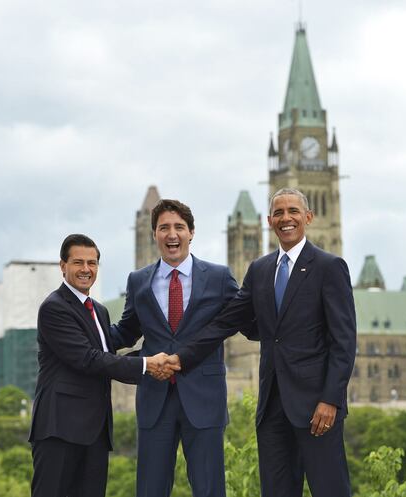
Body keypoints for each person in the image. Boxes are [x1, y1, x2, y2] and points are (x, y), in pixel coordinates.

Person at [170, 188, 357, 497]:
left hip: (317, 407)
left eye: (293, 212)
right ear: (270, 221)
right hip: (271, 406)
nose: (286, 218)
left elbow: (344, 340)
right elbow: (228, 321)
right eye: (279, 213)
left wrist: (331, 399)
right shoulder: (260, 270)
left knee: (330, 489)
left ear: (308, 218)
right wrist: (181, 358)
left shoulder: (329, 267)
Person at [29, 233, 178, 497]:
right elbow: (89, 359)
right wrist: (147, 365)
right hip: (60, 430)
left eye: (92, 263)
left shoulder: (98, 310)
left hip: (95, 432)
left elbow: (110, 345)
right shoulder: (54, 308)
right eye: (78, 262)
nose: (86, 269)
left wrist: (153, 320)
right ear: (62, 266)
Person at [110, 199, 241, 497]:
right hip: (155, 400)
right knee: (150, 490)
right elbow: (127, 331)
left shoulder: (219, 277)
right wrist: (86, 334)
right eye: (164, 228)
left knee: (209, 490)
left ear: (191, 232)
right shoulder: (138, 281)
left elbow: (241, 318)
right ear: (154, 234)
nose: (172, 234)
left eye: (179, 227)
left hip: (204, 401)